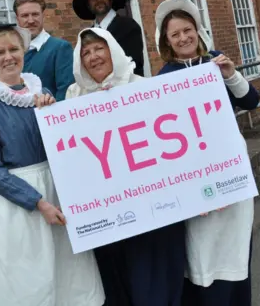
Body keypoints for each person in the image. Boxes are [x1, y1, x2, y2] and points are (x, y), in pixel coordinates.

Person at [38, 27, 186, 306]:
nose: (93, 57)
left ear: (113, 50)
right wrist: (47, 112)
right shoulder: (73, 96)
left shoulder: (141, 86)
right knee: (117, 283)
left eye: (99, 49)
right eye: (86, 53)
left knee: (152, 283)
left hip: (149, 208)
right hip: (106, 211)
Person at [0, 23, 105, 306]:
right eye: (0, 52)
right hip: (19, 201)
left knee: (69, 272)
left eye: (14, 49)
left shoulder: (38, 90)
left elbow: (62, 143)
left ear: (24, 51)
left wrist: (52, 112)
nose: (8, 57)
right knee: (30, 278)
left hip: (56, 189)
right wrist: (38, 202)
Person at [154, 0, 260, 306]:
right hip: (193, 172)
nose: (183, 38)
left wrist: (230, 74)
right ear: (167, 41)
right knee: (202, 249)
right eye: (175, 34)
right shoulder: (163, 78)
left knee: (235, 245)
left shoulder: (216, 62)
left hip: (230, 167)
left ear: (197, 31)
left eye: (187, 30)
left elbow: (251, 101)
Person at [72, 0, 145, 76]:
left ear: (110, 0)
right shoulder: (89, 34)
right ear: (88, 5)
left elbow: (134, 65)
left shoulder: (128, 26)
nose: (98, 0)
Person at [13, 0, 74, 101]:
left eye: (35, 14)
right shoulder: (13, 51)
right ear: (17, 19)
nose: (31, 20)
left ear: (43, 16)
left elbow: (66, 93)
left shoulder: (60, 48)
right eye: (25, 16)